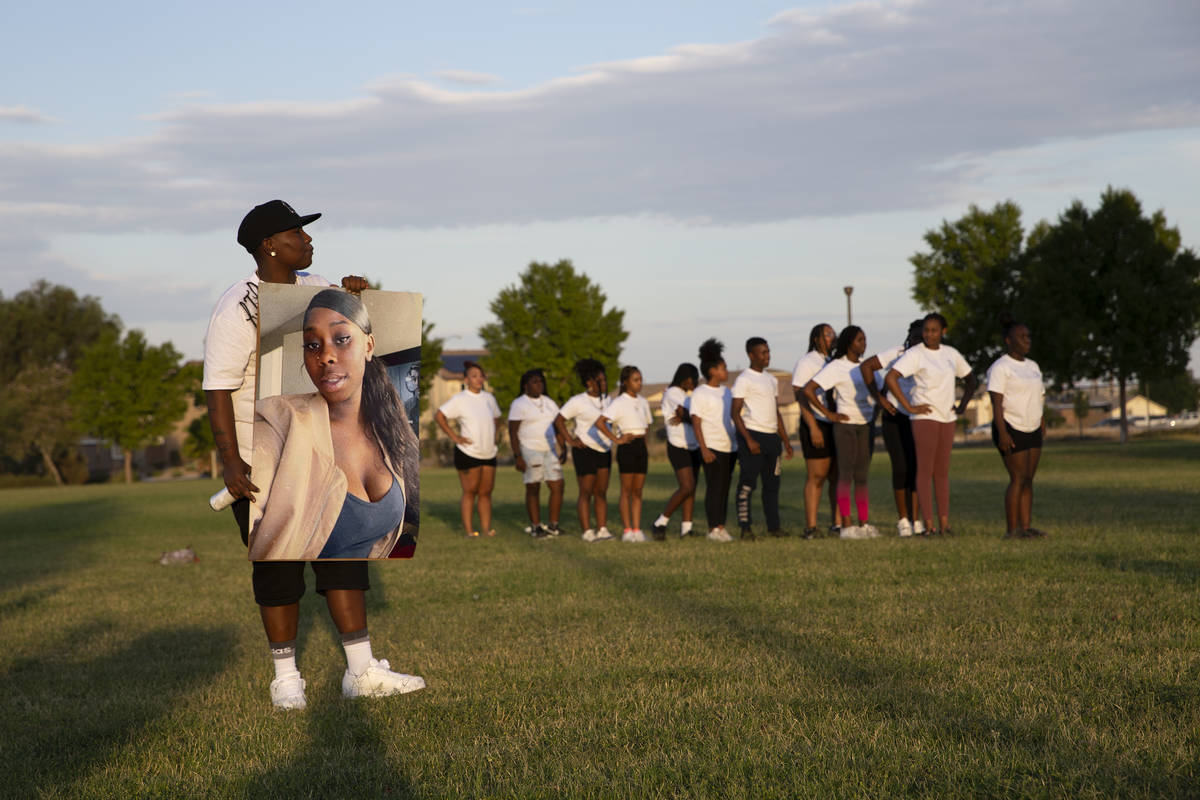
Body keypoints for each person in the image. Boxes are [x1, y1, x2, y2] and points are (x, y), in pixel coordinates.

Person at [203, 199, 423, 711]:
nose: (308, 239)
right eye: (296, 233)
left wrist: (360, 298)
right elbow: (217, 389)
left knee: (343, 558)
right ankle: (286, 679)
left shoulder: (318, 287)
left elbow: (358, 345)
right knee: (277, 565)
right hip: (264, 456)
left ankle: (361, 671)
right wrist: (232, 463)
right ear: (269, 245)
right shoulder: (238, 306)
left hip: (331, 444)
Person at [249, 289, 419, 560]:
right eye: (312, 344)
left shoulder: (387, 428)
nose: (325, 356)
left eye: (341, 339)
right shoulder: (278, 426)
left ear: (369, 346)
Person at [884, 313, 978, 536]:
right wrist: (910, 406)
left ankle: (945, 524)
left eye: (934, 330)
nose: (929, 334)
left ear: (943, 332)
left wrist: (962, 405)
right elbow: (891, 377)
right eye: (926, 330)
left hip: (947, 417)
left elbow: (971, 379)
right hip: (924, 417)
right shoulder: (916, 354)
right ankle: (928, 525)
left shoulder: (950, 354)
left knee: (942, 472)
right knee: (925, 471)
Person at [804, 326, 878, 538]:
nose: (863, 344)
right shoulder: (837, 366)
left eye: (865, 340)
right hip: (845, 425)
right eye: (859, 340)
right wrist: (829, 414)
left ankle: (863, 524)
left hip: (864, 424)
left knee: (862, 476)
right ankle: (846, 525)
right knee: (845, 475)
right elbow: (809, 390)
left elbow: (881, 390)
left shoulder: (866, 366)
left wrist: (877, 409)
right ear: (848, 343)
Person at [861, 320, 925, 537]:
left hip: (919, 418)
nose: (919, 341)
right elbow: (866, 366)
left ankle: (916, 519)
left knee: (917, 469)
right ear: (909, 337)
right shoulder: (898, 353)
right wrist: (879, 398)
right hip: (894, 417)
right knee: (900, 468)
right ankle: (903, 520)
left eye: (923, 337)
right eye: (916, 337)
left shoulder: (931, 356)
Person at [987, 319, 1047, 538]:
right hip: (1011, 427)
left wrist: (1042, 420)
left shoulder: (1033, 366)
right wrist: (1002, 432)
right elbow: (996, 402)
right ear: (1008, 341)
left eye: (1028, 336)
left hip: (1032, 426)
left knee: (1029, 479)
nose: (1027, 341)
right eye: (1022, 337)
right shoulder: (1000, 367)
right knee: (1018, 477)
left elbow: (1040, 395)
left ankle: (1026, 527)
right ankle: (1012, 530)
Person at [731, 337, 794, 539]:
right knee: (748, 485)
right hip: (753, 436)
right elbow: (735, 413)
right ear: (751, 355)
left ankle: (774, 527)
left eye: (768, 352)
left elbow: (775, 411)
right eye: (763, 353)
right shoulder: (744, 380)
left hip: (772, 439)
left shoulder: (771, 380)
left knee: (772, 486)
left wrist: (785, 440)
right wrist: (748, 439)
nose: (767, 356)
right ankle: (745, 528)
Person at [435, 361, 501, 537]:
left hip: (489, 452)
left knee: (486, 492)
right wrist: (455, 437)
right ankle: (470, 531)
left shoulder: (489, 398)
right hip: (468, 452)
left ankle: (486, 529)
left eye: (481, 375)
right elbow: (440, 416)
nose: (479, 379)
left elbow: (497, 419)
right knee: (470, 491)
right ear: (466, 379)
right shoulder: (460, 399)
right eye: (474, 376)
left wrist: (494, 438)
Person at [554, 359, 614, 542]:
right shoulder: (577, 401)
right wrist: (570, 441)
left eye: (605, 380)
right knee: (586, 491)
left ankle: (602, 529)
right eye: (600, 381)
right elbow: (558, 420)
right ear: (589, 382)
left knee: (601, 491)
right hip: (584, 449)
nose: (603, 384)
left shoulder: (609, 400)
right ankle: (587, 531)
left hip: (604, 450)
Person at [792, 323, 843, 537]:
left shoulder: (833, 361)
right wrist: (813, 426)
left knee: (837, 476)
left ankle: (838, 523)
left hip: (835, 423)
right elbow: (800, 394)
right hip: (817, 421)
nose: (832, 337)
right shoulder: (808, 361)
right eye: (827, 334)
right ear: (816, 339)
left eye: (833, 333)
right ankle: (811, 527)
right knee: (817, 476)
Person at [596, 366, 654, 542]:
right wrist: (617, 439)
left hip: (640, 447)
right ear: (626, 382)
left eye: (640, 379)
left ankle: (637, 529)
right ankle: (627, 530)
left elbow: (647, 424)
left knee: (638, 491)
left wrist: (643, 443)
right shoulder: (619, 402)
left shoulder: (643, 402)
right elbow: (600, 422)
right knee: (626, 490)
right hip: (627, 446)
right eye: (636, 380)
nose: (639, 383)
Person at [688, 339, 737, 542]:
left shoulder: (727, 392)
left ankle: (721, 526)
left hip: (730, 447)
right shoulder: (700, 393)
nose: (727, 371)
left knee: (725, 488)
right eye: (724, 368)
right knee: (714, 488)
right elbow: (696, 423)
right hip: (712, 447)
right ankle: (712, 529)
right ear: (713, 370)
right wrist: (704, 449)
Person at [508, 368, 566, 538]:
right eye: (534, 381)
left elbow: (558, 426)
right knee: (533, 487)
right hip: (529, 449)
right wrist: (518, 456)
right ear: (526, 385)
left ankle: (553, 525)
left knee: (558, 486)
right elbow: (513, 432)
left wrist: (563, 447)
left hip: (550, 449)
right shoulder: (519, 404)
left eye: (541, 381)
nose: (539, 384)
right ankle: (535, 526)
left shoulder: (549, 402)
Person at [650, 363, 701, 540]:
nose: (695, 382)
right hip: (678, 445)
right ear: (686, 379)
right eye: (694, 379)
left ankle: (686, 529)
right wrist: (687, 416)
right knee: (686, 486)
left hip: (693, 444)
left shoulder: (688, 394)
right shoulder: (673, 393)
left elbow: (690, 414)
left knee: (691, 488)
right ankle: (660, 523)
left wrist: (687, 417)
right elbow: (688, 412)